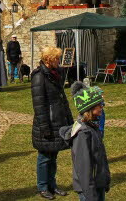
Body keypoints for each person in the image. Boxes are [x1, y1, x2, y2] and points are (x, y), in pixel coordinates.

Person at [31, 46, 74, 200]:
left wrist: (69, 120)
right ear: (48, 60)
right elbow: (39, 105)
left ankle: (52, 184)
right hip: (47, 122)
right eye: (56, 58)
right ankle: (42, 187)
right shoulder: (39, 76)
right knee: (44, 156)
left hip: (58, 120)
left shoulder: (56, 74)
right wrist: (44, 127)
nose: (58, 61)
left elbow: (62, 99)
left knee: (53, 155)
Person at [60, 82, 111, 201]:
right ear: (90, 108)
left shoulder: (93, 127)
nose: (102, 107)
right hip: (89, 191)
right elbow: (84, 169)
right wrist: (91, 196)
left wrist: (105, 179)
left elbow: (100, 157)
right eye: (99, 104)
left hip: (98, 184)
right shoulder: (83, 134)